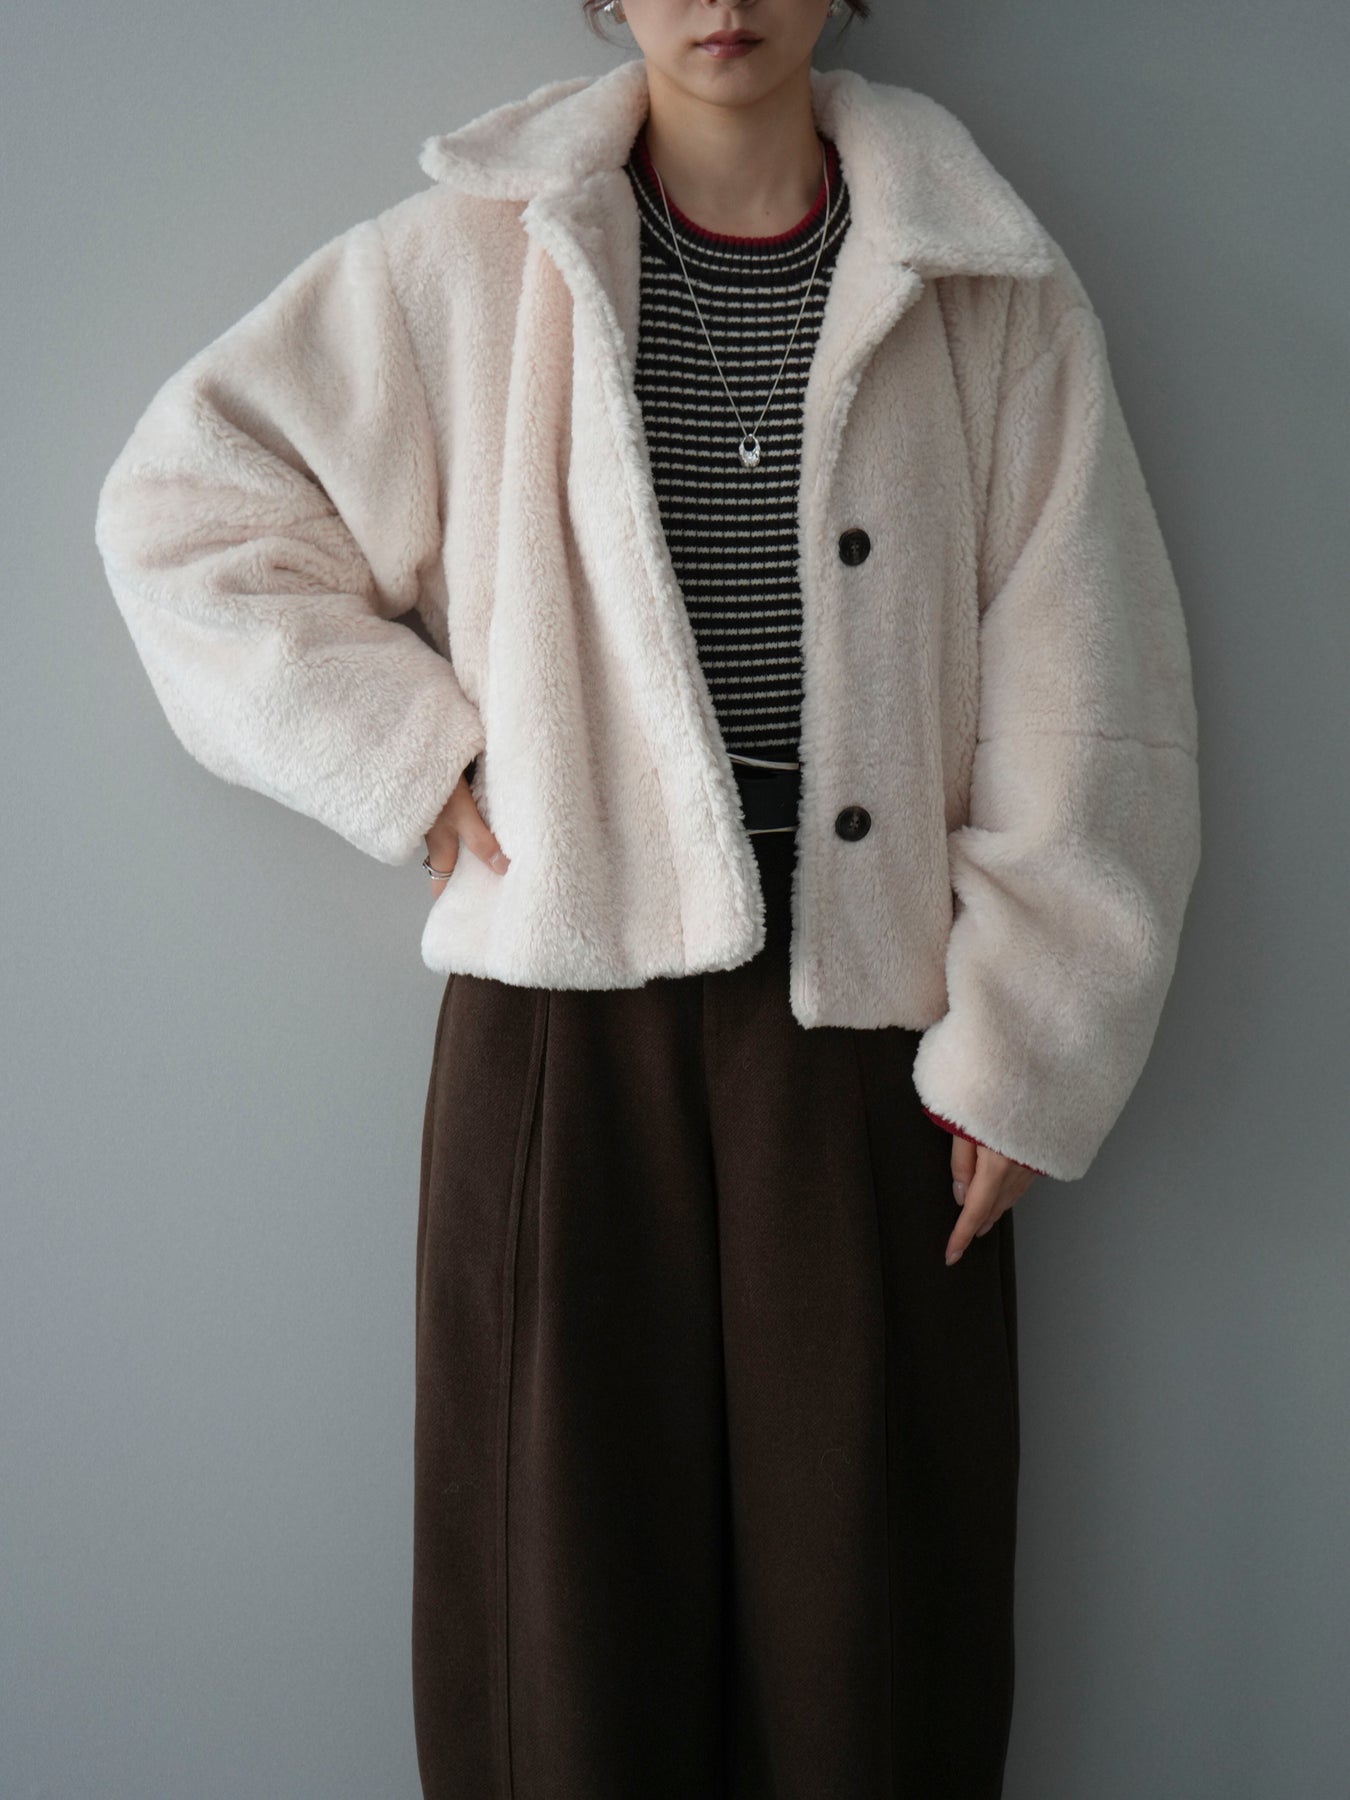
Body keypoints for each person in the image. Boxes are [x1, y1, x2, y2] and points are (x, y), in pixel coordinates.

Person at [93, 1, 1202, 1793]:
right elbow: (183, 512)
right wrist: (409, 757)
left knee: (870, 1635)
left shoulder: (985, 286)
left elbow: (1089, 681)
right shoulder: (470, 260)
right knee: (558, 1625)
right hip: (560, 1030)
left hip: (878, 1041)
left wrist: (1031, 1040)